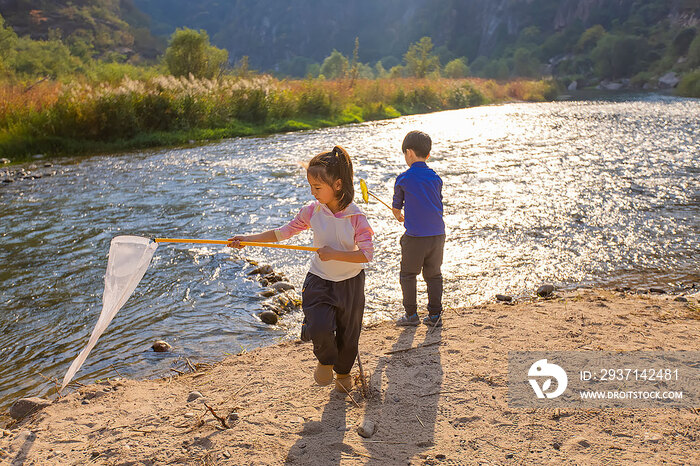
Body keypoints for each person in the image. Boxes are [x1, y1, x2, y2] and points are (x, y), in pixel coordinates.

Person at [229, 146, 374, 394]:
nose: (313, 193)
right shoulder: (312, 211)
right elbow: (281, 233)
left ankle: (343, 373)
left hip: (350, 284)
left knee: (349, 335)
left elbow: (366, 254)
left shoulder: (356, 217)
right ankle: (326, 360)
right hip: (319, 280)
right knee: (318, 326)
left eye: (318, 188)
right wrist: (247, 238)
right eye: (311, 187)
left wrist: (334, 253)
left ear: (338, 185)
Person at [392, 130, 445, 327]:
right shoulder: (436, 178)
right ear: (427, 155)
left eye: (404, 154)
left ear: (409, 153)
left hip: (415, 237)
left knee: (408, 274)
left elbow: (397, 209)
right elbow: (435, 203)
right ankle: (435, 316)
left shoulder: (403, 179)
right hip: (438, 235)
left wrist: (398, 216)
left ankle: (411, 315)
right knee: (434, 275)